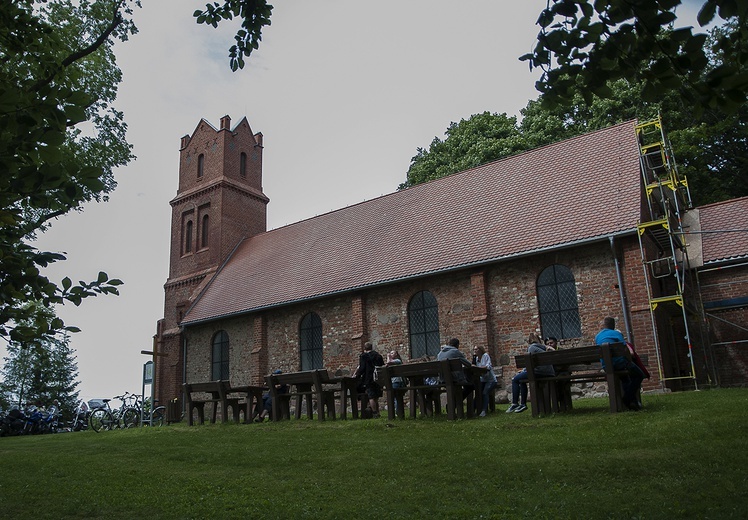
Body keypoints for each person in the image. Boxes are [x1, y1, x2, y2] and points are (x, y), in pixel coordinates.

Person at [595, 317, 645, 411]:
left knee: (625, 379)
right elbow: (625, 350)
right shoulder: (616, 334)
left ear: (604, 325)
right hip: (620, 364)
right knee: (639, 375)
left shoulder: (597, 336)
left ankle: (632, 403)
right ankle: (628, 398)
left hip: (607, 366)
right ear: (613, 326)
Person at [507, 332, 555, 413]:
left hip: (539, 372)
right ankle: (522, 404)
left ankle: (515, 403)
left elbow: (530, 363)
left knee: (515, 379)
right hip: (549, 372)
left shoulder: (532, 348)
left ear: (529, 340)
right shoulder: (544, 348)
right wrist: (523, 371)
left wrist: (524, 371)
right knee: (521, 379)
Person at [352, 342, 385, 418]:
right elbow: (382, 366)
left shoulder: (364, 356)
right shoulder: (378, 356)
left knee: (371, 396)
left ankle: (374, 413)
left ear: (365, 348)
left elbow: (362, 368)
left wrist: (357, 375)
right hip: (378, 378)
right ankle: (378, 412)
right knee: (376, 396)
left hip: (368, 378)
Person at [472, 346, 497, 417]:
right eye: (474, 349)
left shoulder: (485, 356)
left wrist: (477, 368)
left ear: (480, 350)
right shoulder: (476, 359)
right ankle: (473, 409)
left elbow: (488, 367)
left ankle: (484, 410)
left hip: (490, 380)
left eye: (476, 349)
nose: (475, 351)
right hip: (482, 380)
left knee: (485, 392)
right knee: (478, 392)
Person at [386, 350, 405, 415]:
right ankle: (396, 412)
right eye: (390, 353)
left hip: (397, 381)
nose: (391, 354)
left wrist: (388, 356)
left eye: (392, 353)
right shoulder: (393, 361)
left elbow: (388, 362)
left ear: (396, 354)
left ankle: (398, 412)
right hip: (393, 381)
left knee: (397, 397)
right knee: (394, 398)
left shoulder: (398, 361)